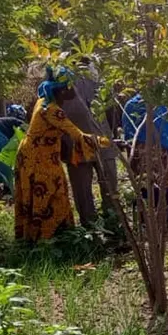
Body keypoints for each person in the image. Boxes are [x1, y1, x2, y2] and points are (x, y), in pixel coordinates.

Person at [15, 67, 110, 242]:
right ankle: (46, 240)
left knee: (52, 193)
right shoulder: (52, 110)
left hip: (37, 156)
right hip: (38, 159)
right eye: (72, 87)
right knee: (48, 195)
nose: (75, 90)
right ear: (63, 89)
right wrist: (110, 143)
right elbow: (78, 135)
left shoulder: (43, 101)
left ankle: (41, 239)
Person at [60, 57, 118, 226]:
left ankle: (113, 226)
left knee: (109, 188)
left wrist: (113, 135)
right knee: (84, 191)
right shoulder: (62, 80)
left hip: (102, 141)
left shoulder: (98, 77)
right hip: (76, 145)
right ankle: (91, 230)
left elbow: (111, 109)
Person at [122, 93, 168, 227]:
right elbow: (130, 134)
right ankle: (156, 222)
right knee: (150, 186)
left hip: (155, 152)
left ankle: (160, 221)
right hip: (148, 152)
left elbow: (129, 135)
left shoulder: (158, 104)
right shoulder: (135, 105)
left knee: (157, 185)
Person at [0, 113, 26, 194]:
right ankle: (9, 189)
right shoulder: (18, 123)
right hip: (0, 137)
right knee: (5, 163)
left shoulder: (7, 120)